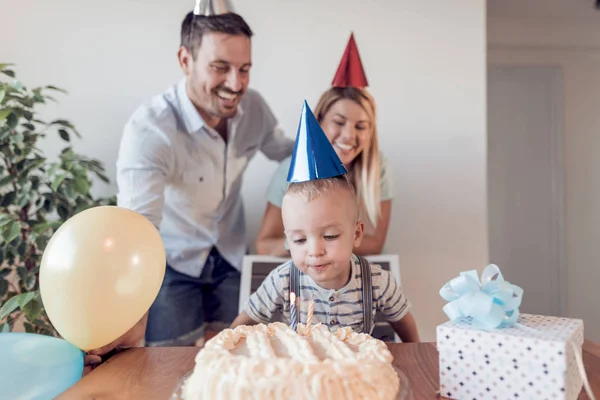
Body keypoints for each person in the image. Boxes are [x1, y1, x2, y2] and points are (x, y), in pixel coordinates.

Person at [88, 1, 294, 360]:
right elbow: (138, 227)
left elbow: (287, 153)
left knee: (244, 356)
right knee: (168, 362)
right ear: (185, 60)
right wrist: (131, 312)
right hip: (170, 261)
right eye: (220, 67)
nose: (236, 83)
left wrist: (338, 141)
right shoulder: (150, 129)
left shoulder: (255, 109)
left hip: (231, 253)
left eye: (244, 69)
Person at [231, 101, 420, 342]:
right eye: (299, 239)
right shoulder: (282, 280)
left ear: (357, 233)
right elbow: (237, 330)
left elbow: (409, 335)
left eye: (330, 236)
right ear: (288, 240)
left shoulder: (377, 282)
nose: (315, 251)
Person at [255, 33, 393, 258]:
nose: (349, 135)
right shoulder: (290, 170)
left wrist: (327, 240)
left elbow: (375, 243)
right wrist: (307, 240)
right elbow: (265, 246)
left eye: (361, 126)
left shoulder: (379, 168)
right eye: (338, 122)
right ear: (319, 122)